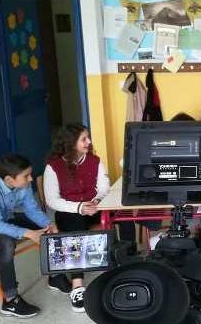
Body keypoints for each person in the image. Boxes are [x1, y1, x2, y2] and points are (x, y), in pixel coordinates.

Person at [44, 123, 136, 313]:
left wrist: (96, 202)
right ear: (70, 143)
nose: (89, 142)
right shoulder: (53, 166)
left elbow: (104, 188)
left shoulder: (95, 161)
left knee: (124, 213)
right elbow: (52, 200)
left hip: (95, 207)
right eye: (83, 139)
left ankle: (128, 264)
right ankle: (77, 285)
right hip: (69, 211)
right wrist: (79, 207)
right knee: (76, 224)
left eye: (88, 137)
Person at [0, 154, 57, 318]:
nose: (31, 179)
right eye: (26, 176)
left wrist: (48, 224)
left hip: (4, 218)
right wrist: (28, 233)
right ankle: (10, 300)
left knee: (47, 229)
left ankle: (56, 275)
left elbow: (32, 210)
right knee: (6, 243)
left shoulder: (23, 185)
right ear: (10, 180)